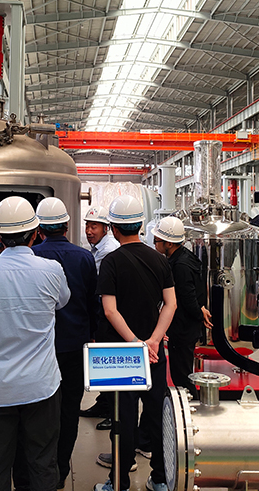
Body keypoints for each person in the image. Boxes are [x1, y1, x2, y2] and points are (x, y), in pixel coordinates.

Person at [0, 196, 70, 491]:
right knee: (43, 462)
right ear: (35, 234)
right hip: (42, 386)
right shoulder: (52, 270)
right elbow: (63, 301)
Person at [94, 195, 176, 491]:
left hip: (122, 352)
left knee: (123, 417)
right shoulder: (160, 260)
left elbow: (110, 310)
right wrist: (153, 340)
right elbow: (170, 304)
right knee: (156, 415)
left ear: (113, 228)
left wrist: (135, 343)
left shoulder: (111, 262)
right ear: (141, 225)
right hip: (155, 353)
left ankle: (119, 482)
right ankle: (160, 478)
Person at [26, 197, 98, 489]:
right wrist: (92, 334)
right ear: (67, 225)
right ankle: (60, 469)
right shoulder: (84, 258)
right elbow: (93, 302)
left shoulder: (32, 256)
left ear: (39, 228)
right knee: (69, 409)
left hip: (40, 347)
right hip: (75, 344)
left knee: (40, 410)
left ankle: (40, 468)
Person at [153, 216, 212, 396]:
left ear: (169, 243)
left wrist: (199, 313)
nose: (154, 244)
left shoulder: (180, 266)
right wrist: (200, 309)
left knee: (181, 375)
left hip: (182, 329)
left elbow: (187, 297)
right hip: (186, 327)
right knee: (183, 370)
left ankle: (189, 403)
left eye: (157, 241)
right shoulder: (185, 257)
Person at [80, 205, 120, 428]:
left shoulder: (108, 250)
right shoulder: (98, 248)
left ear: (106, 228)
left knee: (109, 361)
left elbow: (92, 279)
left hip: (109, 312)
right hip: (102, 309)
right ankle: (103, 403)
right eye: (87, 225)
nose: (89, 231)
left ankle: (113, 412)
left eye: (94, 226)